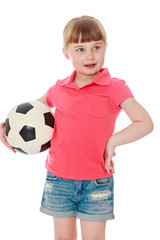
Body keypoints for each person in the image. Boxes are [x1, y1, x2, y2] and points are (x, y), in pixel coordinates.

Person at [0, 16, 154, 240]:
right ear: (66, 53)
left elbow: (145, 123)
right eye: (80, 49)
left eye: (96, 47)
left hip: (97, 181)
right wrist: (7, 129)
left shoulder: (115, 87)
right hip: (58, 179)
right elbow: (28, 115)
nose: (90, 55)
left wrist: (112, 141)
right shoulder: (58, 88)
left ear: (105, 47)